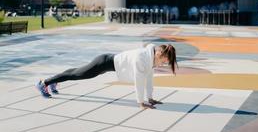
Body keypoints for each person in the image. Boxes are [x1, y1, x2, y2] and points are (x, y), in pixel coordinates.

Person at [36, 44, 177, 109]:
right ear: (159, 54)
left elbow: (149, 79)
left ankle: (54, 81)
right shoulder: (142, 58)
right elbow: (139, 81)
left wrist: (150, 98)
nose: (162, 64)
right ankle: (44, 83)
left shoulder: (150, 58)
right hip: (103, 63)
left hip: (108, 63)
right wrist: (141, 102)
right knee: (78, 74)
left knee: (77, 72)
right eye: (164, 61)